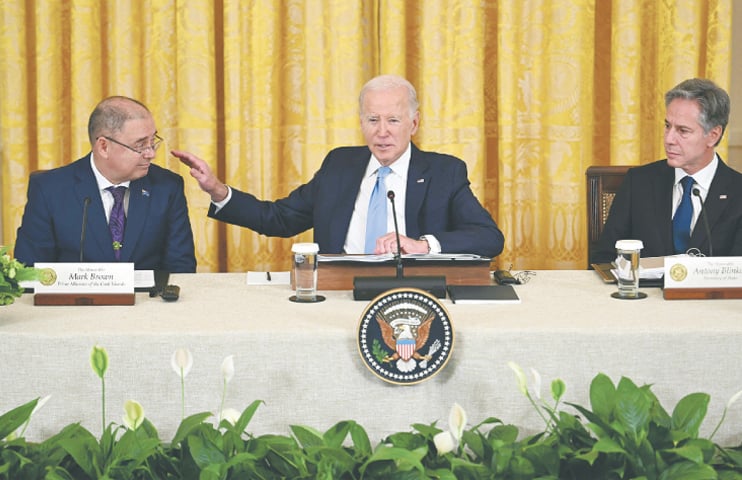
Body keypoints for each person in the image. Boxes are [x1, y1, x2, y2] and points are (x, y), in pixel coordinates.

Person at [172, 74, 504, 258]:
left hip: (412, 294)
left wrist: (423, 245)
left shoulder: (444, 173)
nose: (382, 131)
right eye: (373, 119)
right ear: (361, 123)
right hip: (339, 293)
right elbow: (279, 219)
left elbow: (489, 238)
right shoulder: (340, 165)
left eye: (393, 120)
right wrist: (217, 190)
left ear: (414, 124)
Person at [15, 96, 197, 272]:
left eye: (153, 142)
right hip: (75, 302)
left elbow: (181, 269)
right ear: (103, 146)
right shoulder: (49, 189)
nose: (151, 153)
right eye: (141, 145)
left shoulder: (167, 187)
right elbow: (30, 270)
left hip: (147, 301)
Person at [592, 78, 742, 264]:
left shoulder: (738, 192)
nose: (669, 139)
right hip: (643, 292)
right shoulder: (638, 182)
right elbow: (604, 258)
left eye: (683, 131)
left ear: (713, 135)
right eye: (667, 126)